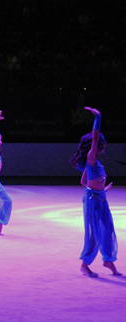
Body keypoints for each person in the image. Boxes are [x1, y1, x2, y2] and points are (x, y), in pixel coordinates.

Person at [69, 107, 121, 277]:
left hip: (101, 198)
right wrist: (98, 117)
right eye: (102, 144)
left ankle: (108, 260)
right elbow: (95, 137)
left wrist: (102, 189)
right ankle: (84, 265)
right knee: (94, 233)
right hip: (92, 200)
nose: (103, 147)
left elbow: (83, 181)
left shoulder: (91, 162)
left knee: (107, 228)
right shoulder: (91, 158)